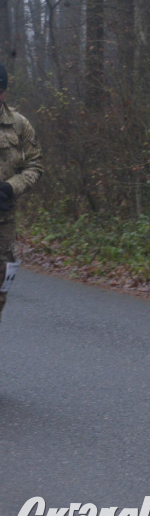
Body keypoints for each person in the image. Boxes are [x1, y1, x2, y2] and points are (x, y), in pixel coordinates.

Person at [0, 63, 43, 324]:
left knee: (1, 288)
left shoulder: (18, 125)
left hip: (4, 221)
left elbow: (36, 165)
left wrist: (11, 186)